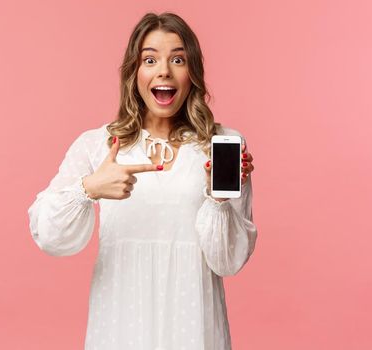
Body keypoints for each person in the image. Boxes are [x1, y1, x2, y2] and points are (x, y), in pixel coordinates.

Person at [27, 12, 257, 350]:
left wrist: (217, 198)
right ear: (134, 72)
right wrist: (88, 189)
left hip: (193, 324)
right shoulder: (99, 145)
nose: (164, 70)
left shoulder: (220, 145)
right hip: (122, 323)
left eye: (178, 59)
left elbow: (228, 261)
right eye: (150, 59)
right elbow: (48, 235)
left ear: (192, 70)